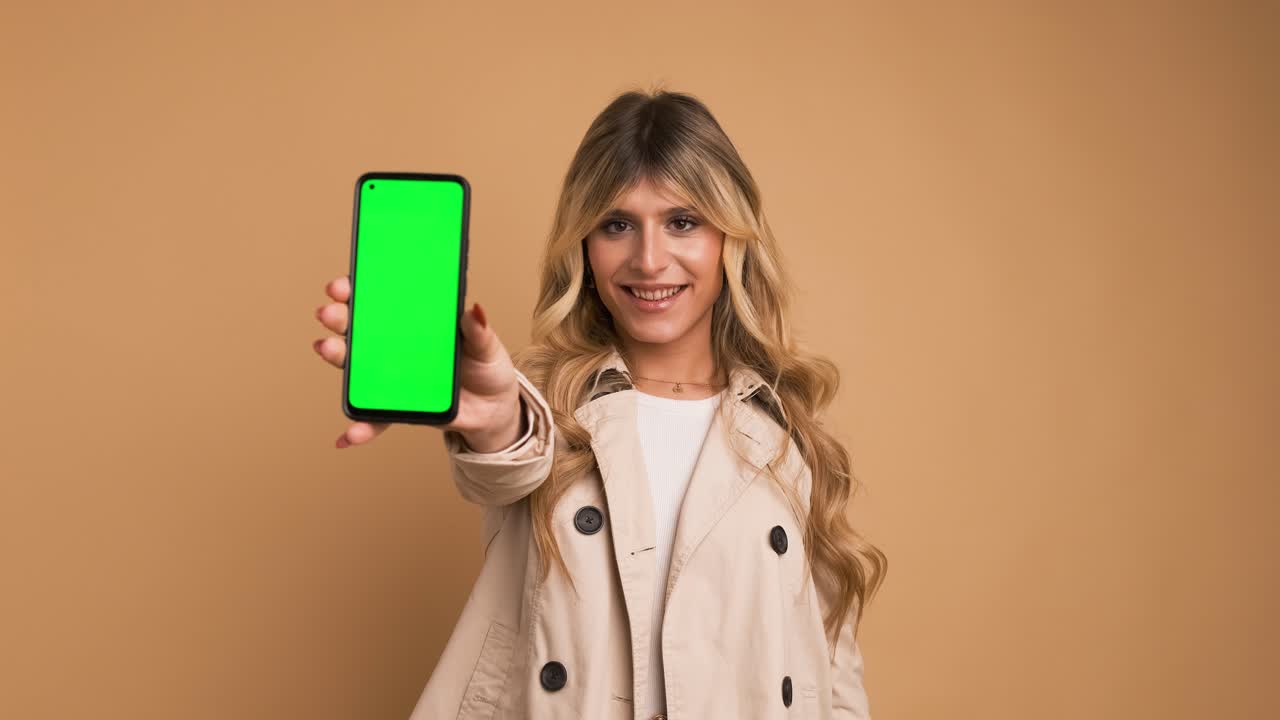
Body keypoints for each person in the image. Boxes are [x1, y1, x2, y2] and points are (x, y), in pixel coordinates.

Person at [313, 88, 886, 720]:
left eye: (682, 221)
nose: (648, 259)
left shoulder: (788, 433)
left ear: (731, 238)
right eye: (617, 224)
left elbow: (830, 672)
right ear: (584, 245)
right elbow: (510, 454)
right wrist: (498, 417)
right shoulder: (549, 408)